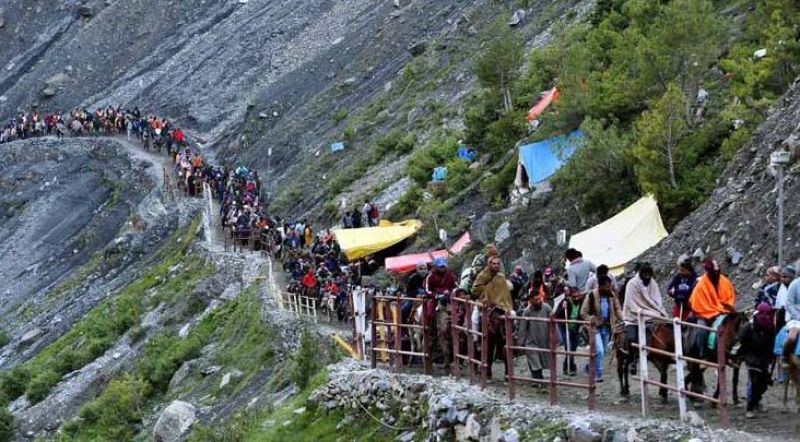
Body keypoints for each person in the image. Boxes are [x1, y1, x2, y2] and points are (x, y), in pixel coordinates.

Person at [738, 302, 777, 418]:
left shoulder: (770, 326)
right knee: (754, 382)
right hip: (751, 357)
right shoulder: (749, 327)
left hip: (764, 357)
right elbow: (741, 339)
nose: (767, 316)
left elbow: (771, 342)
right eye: (765, 313)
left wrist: (772, 356)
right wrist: (743, 354)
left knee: (763, 383)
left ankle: (757, 400)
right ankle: (750, 407)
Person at [580, 275, 622, 382]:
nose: (609, 288)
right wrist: (593, 319)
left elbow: (617, 309)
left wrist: (624, 320)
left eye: (610, 286)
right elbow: (583, 312)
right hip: (594, 328)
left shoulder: (611, 296)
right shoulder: (591, 296)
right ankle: (596, 374)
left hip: (607, 327)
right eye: (607, 286)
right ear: (601, 286)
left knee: (602, 350)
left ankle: (589, 367)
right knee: (599, 351)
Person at [621, 263, 667, 348]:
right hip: (633, 317)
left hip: (651, 315)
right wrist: (643, 313)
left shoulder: (652, 283)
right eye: (645, 275)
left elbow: (657, 301)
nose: (647, 277)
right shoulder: (632, 284)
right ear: (641, 274)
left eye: (649, 275)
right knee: (632, 338)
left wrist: (656, 311)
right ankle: (632, 359)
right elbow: (631, 304)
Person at [517, 292, 553, 381]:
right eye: (535, 299)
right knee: (534, 359)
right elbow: (523, 328)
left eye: (538, 299)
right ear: (531, 300)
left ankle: (538, 378)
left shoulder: (547, 308)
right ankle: (537, 379)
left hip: (544, 339)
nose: (538, 301)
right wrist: (520, 343)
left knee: (542, 360)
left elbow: (553, 322)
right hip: (531, 340)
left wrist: (553, 338)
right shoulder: (527, 312)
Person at [689, 259, 736, 323]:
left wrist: (723, 309)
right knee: (701, 331)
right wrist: (714, 312)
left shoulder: (724, 281)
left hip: (723, 310)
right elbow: (697, 305)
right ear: (708, 273)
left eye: (717, 271)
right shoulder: (700, 286)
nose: (716, 274)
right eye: (714, 272)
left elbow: (729, 297)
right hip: (704, 313)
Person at [555, 286, 583, 376]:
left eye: (578, 296)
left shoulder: (581, 302)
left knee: (573, 347)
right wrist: (563, 308)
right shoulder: (565, 302)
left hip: (575, 327)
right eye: (574, 297)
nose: (576, 298)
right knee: (568, 347)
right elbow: (556, 314)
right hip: (565, 327)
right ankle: (571, 366)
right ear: (570, 296)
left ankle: (567, 365)